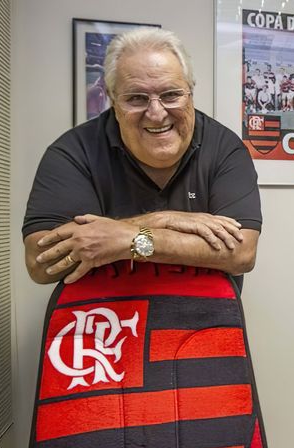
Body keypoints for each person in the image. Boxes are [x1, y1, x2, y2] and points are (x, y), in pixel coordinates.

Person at [23, 27, 261, 289]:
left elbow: (241, 253)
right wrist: (159, 220)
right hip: (106, 321)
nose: (156, 113)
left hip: (206, 320)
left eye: (171, 95)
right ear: (113, 101)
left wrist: (129, 238)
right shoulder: (73, 152)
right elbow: (40, 264)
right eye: (136, 98)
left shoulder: (225, 149)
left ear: (190, 92)